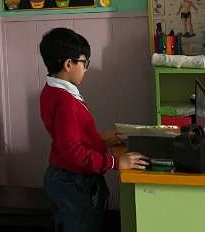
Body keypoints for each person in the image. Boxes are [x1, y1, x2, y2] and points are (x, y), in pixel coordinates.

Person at [39, 28, 149, 231]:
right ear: (69, 64)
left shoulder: (52, 91)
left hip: (64, 175)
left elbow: (71, 138)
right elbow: (73, 152)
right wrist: (116, 162)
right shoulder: (66, 102)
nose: (86, 69)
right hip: (72, 182)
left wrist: (102, 142)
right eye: (85, 63)